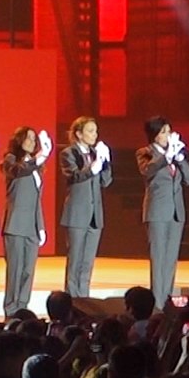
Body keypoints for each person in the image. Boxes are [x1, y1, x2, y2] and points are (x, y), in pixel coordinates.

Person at [136, 116, 189, 307]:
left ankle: (167, 300)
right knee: (159, 258)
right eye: (163, 132)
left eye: (169, 131)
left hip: (176, 212)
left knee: (170, 260)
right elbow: (148, 171)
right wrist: (166, 156)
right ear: (154, 135)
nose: (168, 135)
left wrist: (180, 158)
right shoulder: (145, 153)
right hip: (157, 212)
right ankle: (157, 303)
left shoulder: (175, 154)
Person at [60, 116, 113, 297]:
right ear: (79, 134)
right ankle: (72, 298)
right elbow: (74, 176)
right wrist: (93, 167)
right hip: (77, 213)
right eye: (90, 131)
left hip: (94, 214)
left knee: (87, 262)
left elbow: (106, 181)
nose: (94, 135)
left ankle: (84, 297)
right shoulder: (69, 153)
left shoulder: (94, 154)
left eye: (95, 131)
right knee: (75, 260)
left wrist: (105, 162)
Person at [2, 126, 52, 314]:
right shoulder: (11, 161)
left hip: (31, 225)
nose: (32, 142)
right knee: (15, 271)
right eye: (28, 138)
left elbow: (36, 200)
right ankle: (11, 308)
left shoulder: (36, 168)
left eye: (34, 139)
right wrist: (38, 157)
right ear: (19, 141)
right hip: (15, 225)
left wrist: (40, 226)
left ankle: (22, 307)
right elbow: (18, 171)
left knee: (28, 271)